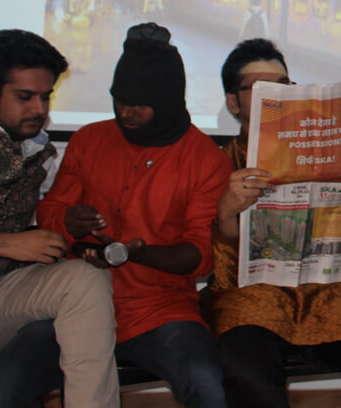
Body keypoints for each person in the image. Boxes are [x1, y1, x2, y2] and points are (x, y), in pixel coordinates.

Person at [208, 38, 341, 407]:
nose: (276, 97)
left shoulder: (333, 152)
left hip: (330, 299)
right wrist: (227, 214)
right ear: (233, 102)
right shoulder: (217, 166)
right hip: (253, 304)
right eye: (261, 89)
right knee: (246, 370)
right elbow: (222, 275)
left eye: (284, 86)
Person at [34, 23, 234, 407]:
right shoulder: (89, 140)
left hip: (159, 312)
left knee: (209, 386)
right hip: (74, 307)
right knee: (4, 382)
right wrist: (69, 224)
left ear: (168, 101)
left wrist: (138, 253)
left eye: (140, 103)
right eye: (119, 99)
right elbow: (50, 213)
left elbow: (201, 255)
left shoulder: (206, 160)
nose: (126, 111)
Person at [0, 30, 119, 408]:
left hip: (3, 289)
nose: (39, 109)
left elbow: (48, 216)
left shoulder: (38, 147)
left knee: (86, 279)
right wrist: (8, 244)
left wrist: (73, 229)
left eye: (46, 96)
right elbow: (14, 243)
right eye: (25, 97)